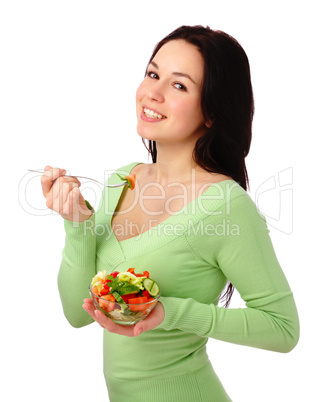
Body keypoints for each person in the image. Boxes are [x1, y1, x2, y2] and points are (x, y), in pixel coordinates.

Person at [41, 25, 299, 402]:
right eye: (153, 74)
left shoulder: (225, 207)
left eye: (179, 85)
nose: (153, 93)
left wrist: (171, 313)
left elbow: (283, 329)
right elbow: (77, 313)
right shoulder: (121, 181)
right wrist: (77, 225)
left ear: (212, 111)